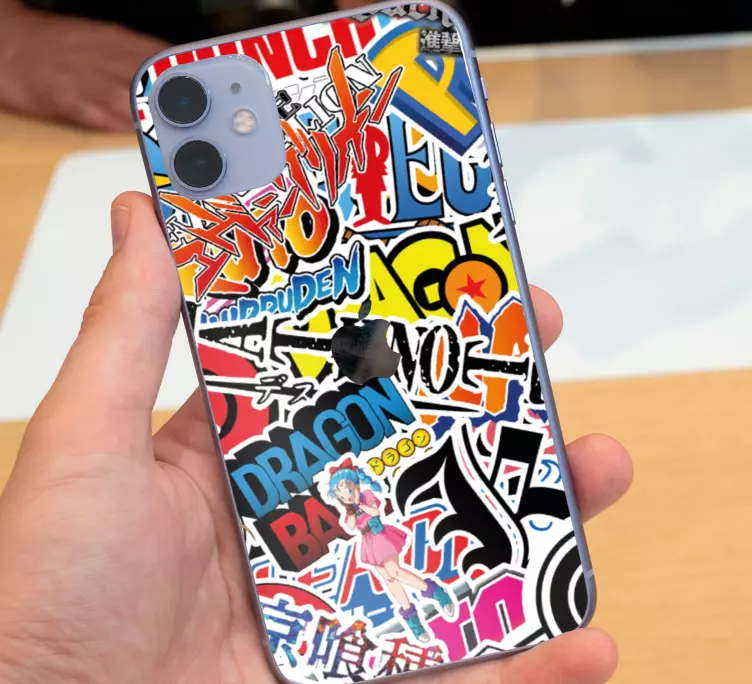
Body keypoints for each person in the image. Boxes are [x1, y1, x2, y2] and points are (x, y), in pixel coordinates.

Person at [0, 192, 633, 682]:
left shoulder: (362, 499)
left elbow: (362, 504)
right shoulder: (348, 494)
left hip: (372, 543)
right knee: (396, 580)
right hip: (337, 572)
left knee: (398, 577)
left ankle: (435, 598)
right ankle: (435, 601)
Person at [327, 458, 455, 643]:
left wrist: (358, 504)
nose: (345, 495)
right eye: (340, 494)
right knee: (390, 579)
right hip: (368, 541)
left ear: (355, 485)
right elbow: (351, 527)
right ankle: (411, 617)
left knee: (394, 571)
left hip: (380, 535)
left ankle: (435, 591)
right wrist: (350, 510)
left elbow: (375, 512)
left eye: (347, 489)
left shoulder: (367, 495)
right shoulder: (348, 510)